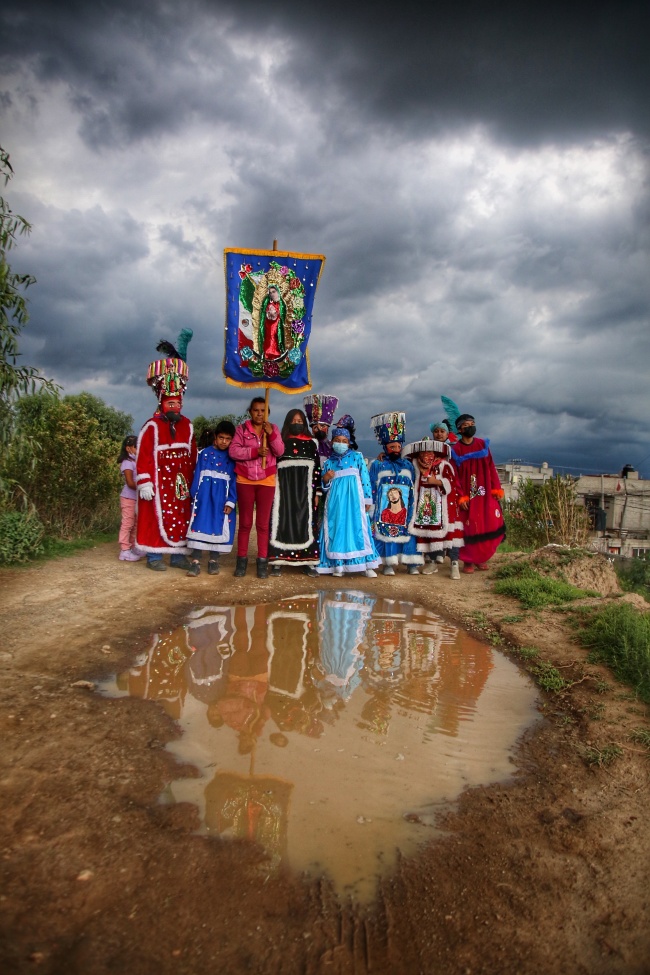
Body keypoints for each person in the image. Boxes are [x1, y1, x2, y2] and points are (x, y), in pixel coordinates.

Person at [136, 335, 197, 571]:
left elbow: (192, 455)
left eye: (177, 404)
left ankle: (178, 555)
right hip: (158, 483)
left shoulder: (188, 425)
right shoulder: (151, 426)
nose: (175, 407)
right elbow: (143, 456)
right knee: (154, 517)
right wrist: (145, 481)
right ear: (162, 403)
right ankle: (153, 557)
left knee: (180, 517)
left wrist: (193, 480)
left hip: (180, 483)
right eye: (170, 404)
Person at [315, 415, 380, 578]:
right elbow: (324, 487)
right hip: (335, 504)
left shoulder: (357, 457)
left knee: (359, 529)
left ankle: (366, 564)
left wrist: (367, 499)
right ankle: (338, 564)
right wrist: (326, 479)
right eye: (337, 440)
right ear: (332, 442)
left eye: (344, 441)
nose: (341, 443)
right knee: (337, 530)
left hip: (355, 503)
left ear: (349, 442)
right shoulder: (329, 463)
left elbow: (365, 479)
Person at [229, 396, 284, 579]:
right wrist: (255, 452)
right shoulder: (241, 429)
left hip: (266, 480)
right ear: (250, 411)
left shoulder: (273, 429)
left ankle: (262, 562)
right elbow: (233, 451)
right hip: (245, 479)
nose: (259, 414)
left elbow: (280, 451)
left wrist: (272, 435)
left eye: (263, 410)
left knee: (262, 524)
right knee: (244, 523)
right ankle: (241, 561)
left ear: (267, 412)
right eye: (256, 410)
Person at [268, 408, 321, 576]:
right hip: (283, 490)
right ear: (287, 423)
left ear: (304, 424)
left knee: (305, 523)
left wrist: (317, 493)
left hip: (306, 490)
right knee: (281, 521)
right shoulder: (280, 443)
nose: (297, 424)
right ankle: (278, 560)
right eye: (294, 421)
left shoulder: (312, 443)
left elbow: (317, 469)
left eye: (300, 422)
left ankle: (307, 562)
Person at [368, 412, 422, 576]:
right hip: (384, 507)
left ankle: (411, 563)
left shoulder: (408, 465)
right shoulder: (377, 464)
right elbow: (371, 484)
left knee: (409, 534)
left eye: (399, 447)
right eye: (392, 447)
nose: (396, 450)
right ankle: (388, 563)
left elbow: (413, 483)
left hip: (406, 507)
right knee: (385, 534)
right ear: (385, 448)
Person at [451, 413, 506, 573]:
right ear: (460, 429)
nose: (470, 426)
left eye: (472, 423)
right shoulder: (456, 450)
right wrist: (461, 496)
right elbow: (454, 476)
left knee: (488, 523)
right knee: (468, 527)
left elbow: (491, 467)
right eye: (467, 424)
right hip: (467, 495)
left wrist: (496, 487)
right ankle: (468, 561)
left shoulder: (482, 445)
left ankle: (482, 559)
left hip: (485, 492)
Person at [403, 437, 464, 580]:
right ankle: (431, 562)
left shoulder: (444, 465)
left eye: (429, 452)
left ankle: (454, 565)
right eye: (423, 452)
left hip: (444, 507)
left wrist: (437, 481)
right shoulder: (414, 465)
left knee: (451, 536)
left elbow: (452, 483)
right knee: (427, 534)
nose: (426, 456)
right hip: (424, 507)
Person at [186, 420, 237, 577]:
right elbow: (197, 475)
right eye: (221, 437)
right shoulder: (204, 454)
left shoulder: (233, 457)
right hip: (204, 497)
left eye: (228, 439)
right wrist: (195, 495)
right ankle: (195, 561)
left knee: (218, 525)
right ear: (215, 436)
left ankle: (213, 561)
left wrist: (231, 500)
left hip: (222, 497)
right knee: (200, 523)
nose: (224, 442)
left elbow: (235, 480)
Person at [117, 435, 142, 562]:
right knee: (127, 523)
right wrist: (143, 486)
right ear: (128, 448)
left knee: (135, 523)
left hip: (136, 498)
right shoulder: (127, 462)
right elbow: (130, 483)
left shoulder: (136, 461)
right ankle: (124, 550)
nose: (139, 449)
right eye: (136, 447)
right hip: (128, 498)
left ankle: (132, 546)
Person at [303, 393, 339, 462]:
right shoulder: (307, 446)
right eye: (316, 427)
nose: (319, 429)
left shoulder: (334, 447)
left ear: (327, 428)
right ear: (312, 430)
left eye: (322, 426)